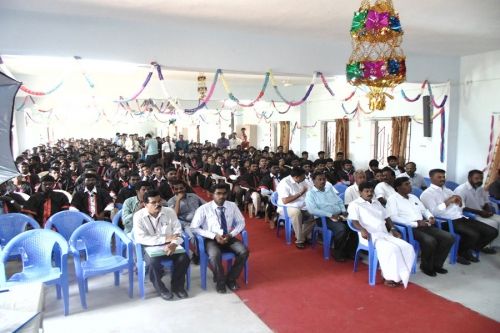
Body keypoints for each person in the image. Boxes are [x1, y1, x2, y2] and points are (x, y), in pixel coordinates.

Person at [420, 169, 498, 265]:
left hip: (461, 217)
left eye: (443, 177)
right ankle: (460, 253)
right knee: (474, 235)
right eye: (439, 177)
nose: (442, 179)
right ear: (431, 178)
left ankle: (468, 249)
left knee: (492, 232)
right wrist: (448, 201)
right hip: (446, 222)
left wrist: (460, 202)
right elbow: (434, 213)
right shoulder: (427, 194)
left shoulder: (448, 190)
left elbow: (462, 206)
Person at [348, 182, 415, 288]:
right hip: (369, 236)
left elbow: (387, 217)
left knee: (407, 247)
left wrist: (393, 229)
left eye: (371, 191)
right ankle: (388, 278)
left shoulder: (376, 203)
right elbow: (354, 221)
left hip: (384, 234)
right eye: (367, 191)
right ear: (360, 192)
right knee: (390, 250)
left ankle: (400, 275)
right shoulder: (355, 205)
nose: (370, 193)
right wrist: (362, 229)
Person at [387, 177, 455, 276]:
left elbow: (424, 210)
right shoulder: (393, 199)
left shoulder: (413, 197)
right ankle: (426, 266)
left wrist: (430, 217)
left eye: (409, 183)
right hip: (409, 228)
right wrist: (415, 223)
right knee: (430, 240)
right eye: (406, 184)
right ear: (398, 187)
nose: (410, 186)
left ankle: (437, 265)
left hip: (424, 225)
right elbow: (394, 218)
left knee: (449, 237)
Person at [191, 183, 249, 293]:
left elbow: (241, 222)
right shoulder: (204, 209)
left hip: (228, 236)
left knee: (244, 251)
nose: (221, 196)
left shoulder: (232, 206)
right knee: (214, 254)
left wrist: (231, 234)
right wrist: (213, 235)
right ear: (212, 194)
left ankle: (231, 279)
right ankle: (220, 281)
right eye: (218, 193)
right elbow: (194, 228)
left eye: (224, 193)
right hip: (211, 239)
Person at [133, 189, 190, 300]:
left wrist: (173, 244)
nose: (158, 204)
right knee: (153, 262)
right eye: (153, 202)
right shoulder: (138, 216)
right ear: (145, 204)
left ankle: (177, 286)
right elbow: (141, 238)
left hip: (170, 245)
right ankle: (161, 289)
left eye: (159, 201)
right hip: (150, 248)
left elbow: (178, 231)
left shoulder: (169, 212)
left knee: (184, 258)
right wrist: (165, 239)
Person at [305, 171, 356, 262]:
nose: (322, 181)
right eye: (319, 179)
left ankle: (349, 251)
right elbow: (312, 210)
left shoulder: (329, 189)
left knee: (355, 226)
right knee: (341, 229)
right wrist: (330, 215)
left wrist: (344, 211)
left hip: (339, 215)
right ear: (313, 181)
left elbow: (339, 201)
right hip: (323, 218)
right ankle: (338, 252)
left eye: (324, 179)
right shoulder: (310, 194)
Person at [454, 170, 499, 251]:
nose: (480, 181)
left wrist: (488, 210)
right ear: (469, 178)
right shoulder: (461, 190)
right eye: (476, 178)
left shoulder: (481, 189)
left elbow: (486, 202)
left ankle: (494, 245)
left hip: (482, 212)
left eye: (481, 178)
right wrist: (480, 212)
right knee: (493, 223)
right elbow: (461, 207)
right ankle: (484, 246)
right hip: (470, 214)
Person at [167, 180, 206, 263]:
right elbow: (174, 216)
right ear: (173, 190)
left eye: (181, 188)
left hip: (200, 221)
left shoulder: (193, 196)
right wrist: (178, 200)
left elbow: (205, 205)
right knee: (192, 237)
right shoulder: (171, 201)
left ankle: (208, 251)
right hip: (186, 224)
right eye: (176, 189)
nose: (179, 190)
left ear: (185, 188)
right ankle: (199, 254)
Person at [276, 167, 315, 249]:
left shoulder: (302, 180)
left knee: (315, 214)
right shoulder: (284, 183)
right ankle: (299, 240)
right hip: (286, 207)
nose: (305, 178)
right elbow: (285, 201)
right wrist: (300, 193)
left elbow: (311, 191)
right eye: (303, 176)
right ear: (297, 177)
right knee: (296, 213)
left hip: (301, 204)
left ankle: (302, 236)